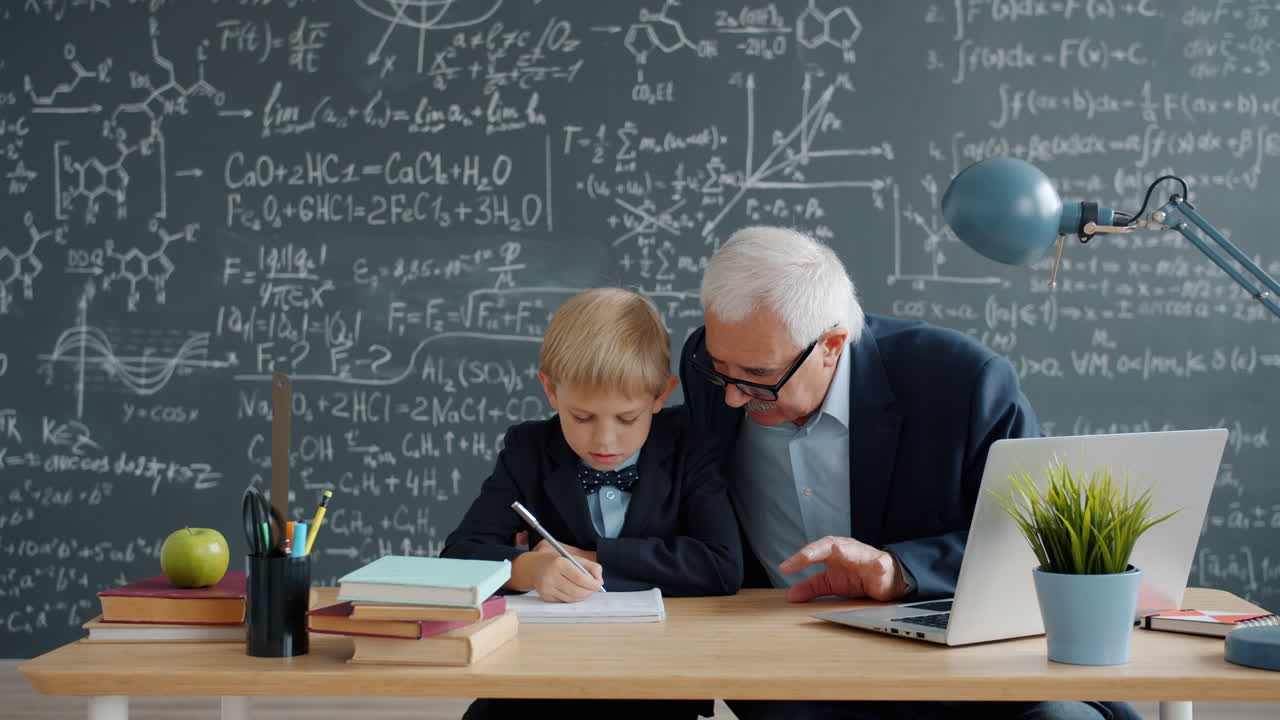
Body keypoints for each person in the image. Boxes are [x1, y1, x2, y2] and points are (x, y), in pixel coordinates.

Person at [678, 226, 1140, 720]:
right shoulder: (715, 371)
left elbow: (1040, 539)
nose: (731, 395)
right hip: (797, 672)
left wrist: (900, 571)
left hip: (964, 667)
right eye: (719, 365)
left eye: (760, 376)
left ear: (832, 344)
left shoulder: (963, 381)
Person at [443, 286, 742, 720]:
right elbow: (458, 556)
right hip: (536, 687)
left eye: (627, 418)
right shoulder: (529, 449)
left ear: (661, 395)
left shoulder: (689, 449)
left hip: (656, 686)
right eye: (581, 417)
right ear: (549, 389)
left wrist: (591, 556)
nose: (604, 440)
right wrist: (525, 568)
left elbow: (721, 565)